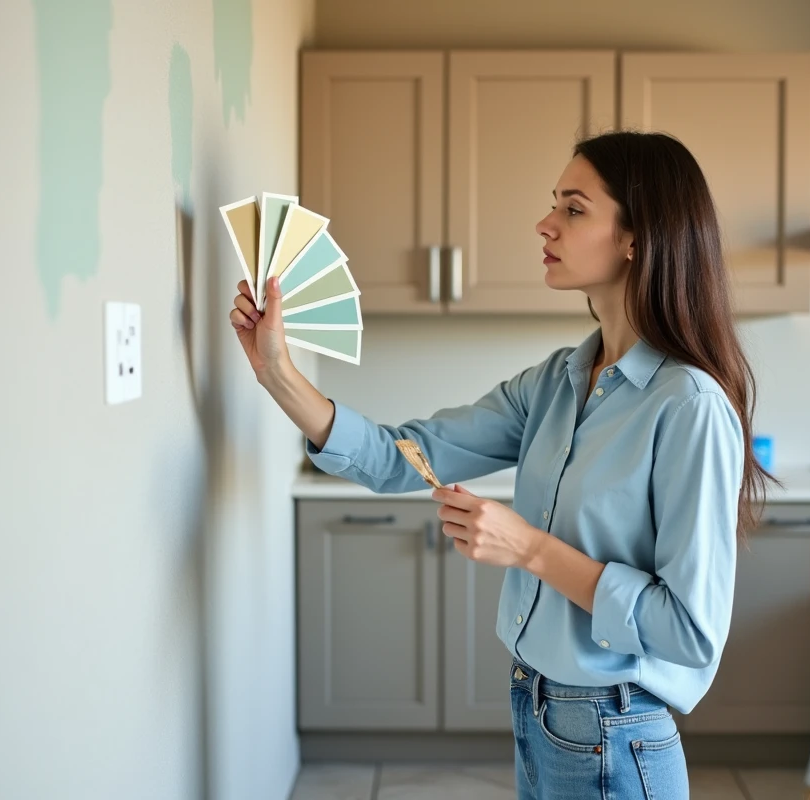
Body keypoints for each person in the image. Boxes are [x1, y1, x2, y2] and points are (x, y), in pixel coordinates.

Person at [229, 130, 774, 800]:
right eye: (555, 205)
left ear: (639, 237)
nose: (545, 224)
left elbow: (688, 632)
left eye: (574, 209)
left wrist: (530, 548)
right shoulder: (558, 382)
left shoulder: (688, 407)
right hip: (539, 710)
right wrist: (277, 373)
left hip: (615, 729)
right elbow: (405, 455)